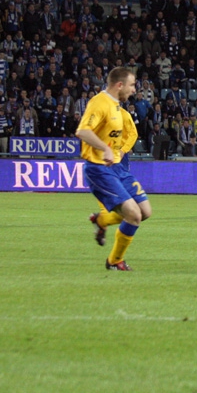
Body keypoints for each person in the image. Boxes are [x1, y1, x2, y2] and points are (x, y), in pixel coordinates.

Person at [75, 67, 153, 271]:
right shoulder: (99, 103)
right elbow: (83, 131)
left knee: (144, 211)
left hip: (117, 168)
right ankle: (114, 260)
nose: (134, 89)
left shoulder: (118, 107)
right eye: (132, 85)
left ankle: (101, 220)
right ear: (119, 85)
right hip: (99, 169)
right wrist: (104, 149)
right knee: (134, 215)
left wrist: (116, 152)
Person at [89, 103, 139, 247]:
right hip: (104, 156)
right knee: (106, 188)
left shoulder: (124, 115)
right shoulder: (101, 115)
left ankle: (102, 221)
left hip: (119, 158)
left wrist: (123, 150)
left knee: (124, 197)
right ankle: (103, 220)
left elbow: (133, 134)